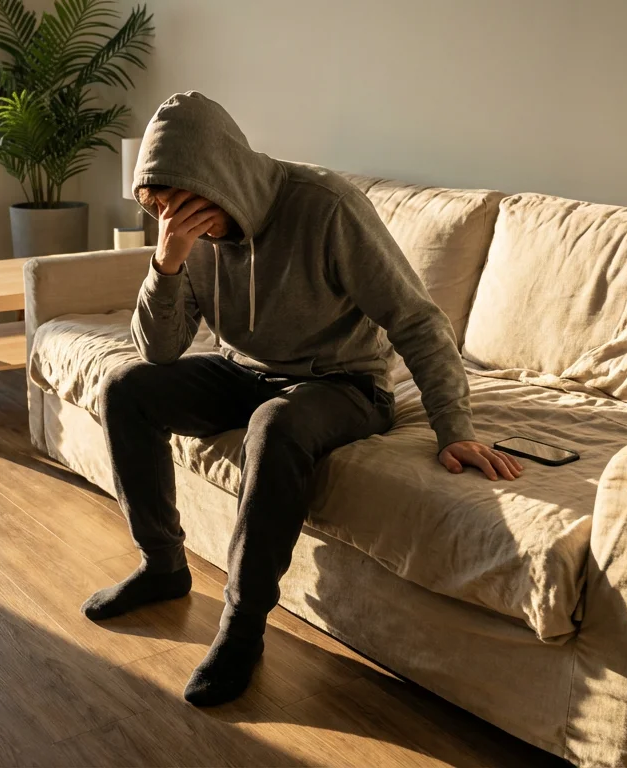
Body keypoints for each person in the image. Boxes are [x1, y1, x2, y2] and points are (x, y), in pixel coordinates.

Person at [80, 92, 523, 706]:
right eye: (158, 207)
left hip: (345, 383)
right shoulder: (181, 239)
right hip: (244, 369)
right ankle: (162, 566)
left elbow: (418, 321)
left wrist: (455, 427)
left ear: (223, 175)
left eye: (183, 203)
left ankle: (242, 625)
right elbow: (157, 351)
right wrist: (167, 260)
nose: (173, 217)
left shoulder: (327, 207)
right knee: (128, 387)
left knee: (277, 425)